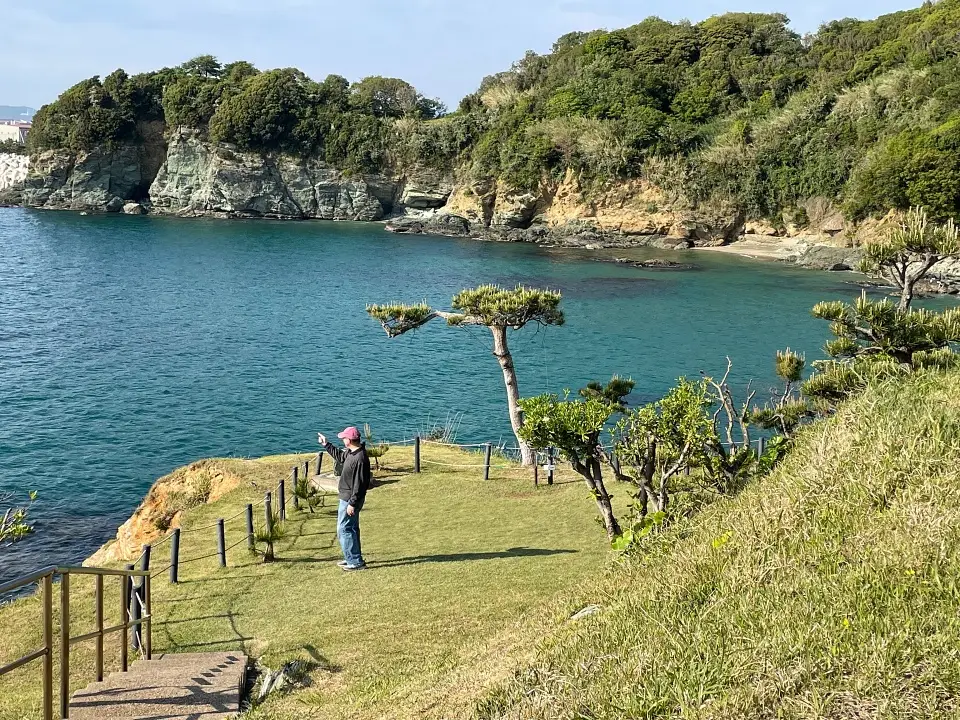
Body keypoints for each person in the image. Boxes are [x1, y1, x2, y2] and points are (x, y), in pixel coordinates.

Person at [318, 426, 371, 571]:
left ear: (350, 440)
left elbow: (359, 485)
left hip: (350, 500)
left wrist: (352, 503)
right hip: (347, 498)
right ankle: (352, 557)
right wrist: (326, 444)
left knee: (345, 529)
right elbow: (340, 457)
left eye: (344, 438)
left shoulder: (360, 459)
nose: (342, 440)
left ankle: (354, 561)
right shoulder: (351, 452)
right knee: (350, 528)